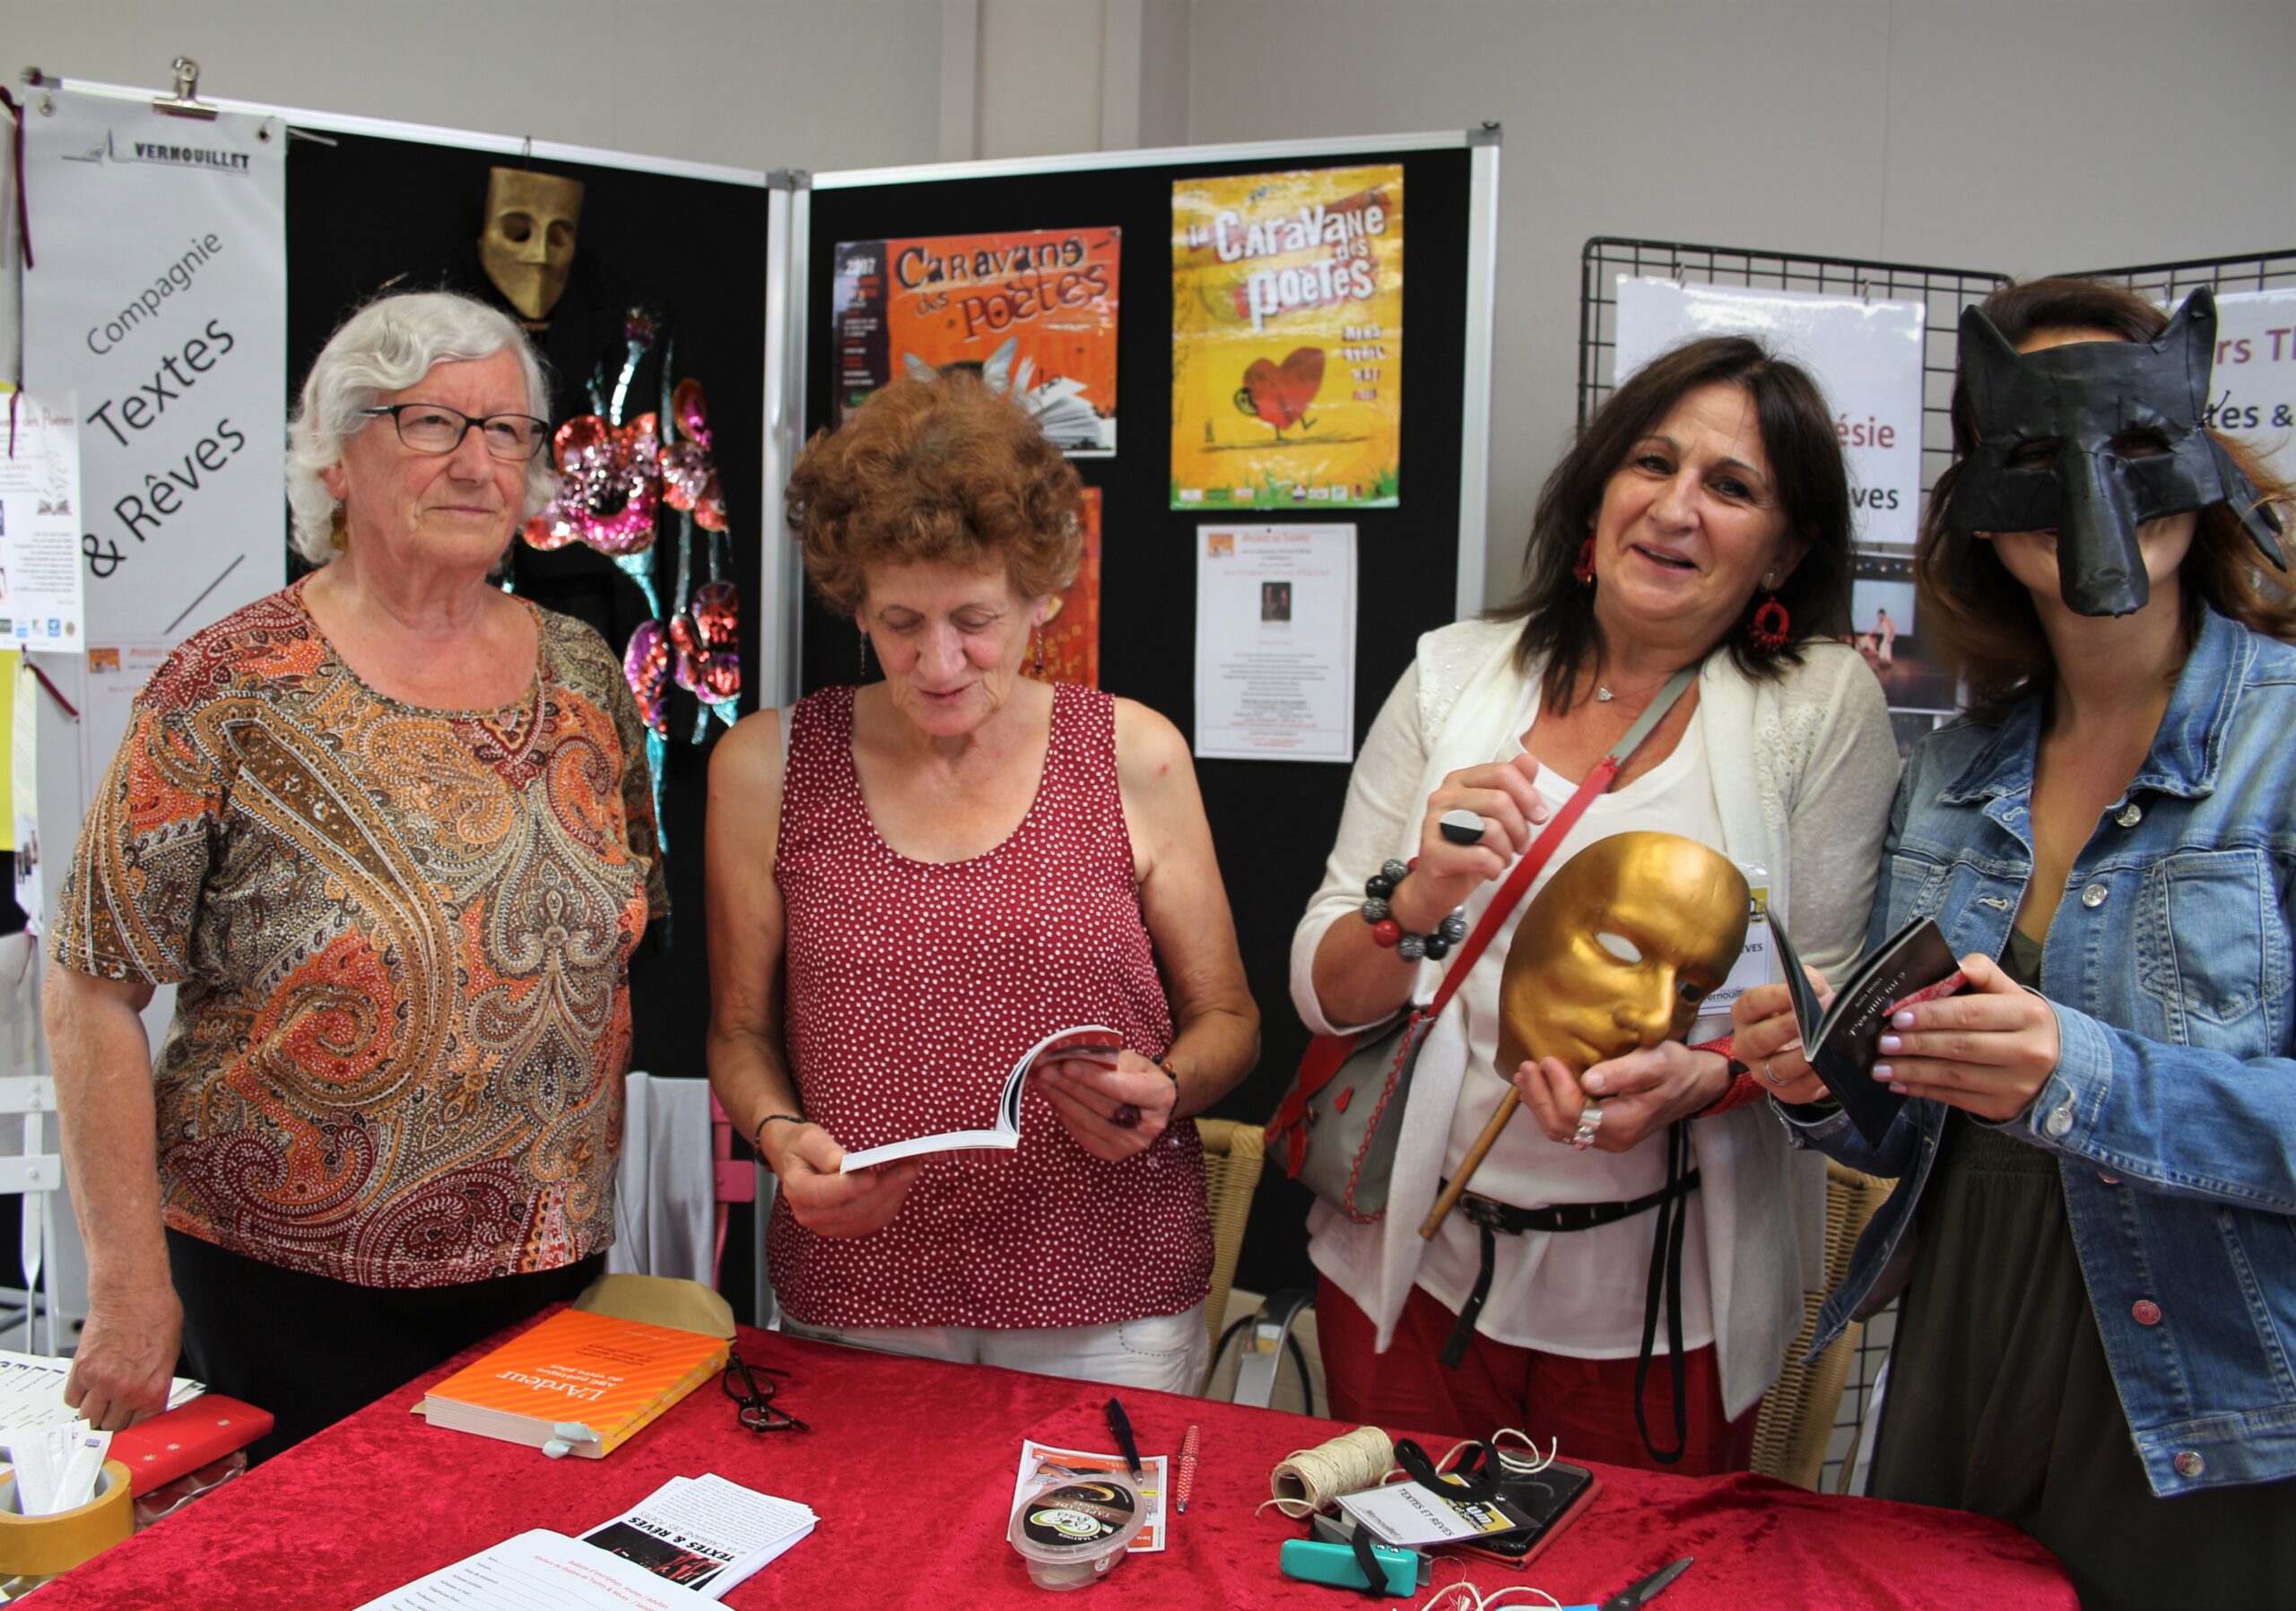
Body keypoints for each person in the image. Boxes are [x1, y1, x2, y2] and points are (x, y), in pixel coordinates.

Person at [1734, 277, 2296, 1607]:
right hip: (1967, 1344)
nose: (2088, 490)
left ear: (2200, 454)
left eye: (2136, 438)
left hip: (2207, 1384)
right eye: (2034, 451)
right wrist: (1832, 1073)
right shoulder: (1958, 773)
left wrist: (2085, 1077)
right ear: (1978, 492)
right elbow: (1917, 1121)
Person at [46, 291, 666, 1455]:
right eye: (432, 422)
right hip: (282, 1290)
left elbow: (620, 936)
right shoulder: (229, 686)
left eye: (505, 431)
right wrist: (128, 1285)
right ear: (336, 457)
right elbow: (88, 987)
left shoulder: (585, 674)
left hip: (544, 1277)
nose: (478, 462)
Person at [1290, 336, 1899, 1471]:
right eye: (1651, 463)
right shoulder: (1452, 673)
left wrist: (1706, 1080)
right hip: (1410, 1275)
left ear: (1785, 551)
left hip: (1664, 1310)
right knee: (1401, 1571)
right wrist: (1414, 898)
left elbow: (1824, 1024)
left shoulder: (1818, 708)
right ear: (1597, 491)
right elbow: (1323, 994)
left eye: (1731, 486)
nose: (1675, 508)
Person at [707, 371, 1257, 1393]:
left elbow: (1228, 1014)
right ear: (854, 598)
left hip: (1108, 1284)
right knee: (869, 1551)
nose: (939, 660)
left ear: (1043, 594)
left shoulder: (1132, 753)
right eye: (899, 620)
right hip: (857, 1282)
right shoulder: (767, 766)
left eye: (976, 617)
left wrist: (1166, 1087)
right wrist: (781, 1137)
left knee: (1095, 1547)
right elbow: (739, 1031)